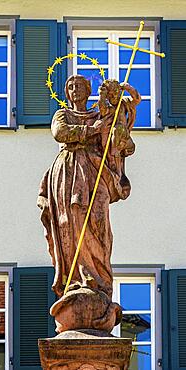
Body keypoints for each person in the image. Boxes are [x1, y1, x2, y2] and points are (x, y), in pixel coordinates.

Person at [37, 75, 135, 299]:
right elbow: (60, 133)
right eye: (70, 87)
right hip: (68, 171)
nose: (75, 90)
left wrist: (121, 105)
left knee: (98, 220)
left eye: (79, 86)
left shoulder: (99, 113)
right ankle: (76, 279)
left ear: (88, 90)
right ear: (66, 93)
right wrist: (92, 130)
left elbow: (116, 137)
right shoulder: (62, 114)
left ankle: (100, 279)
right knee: (71, 220)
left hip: (94, 170)